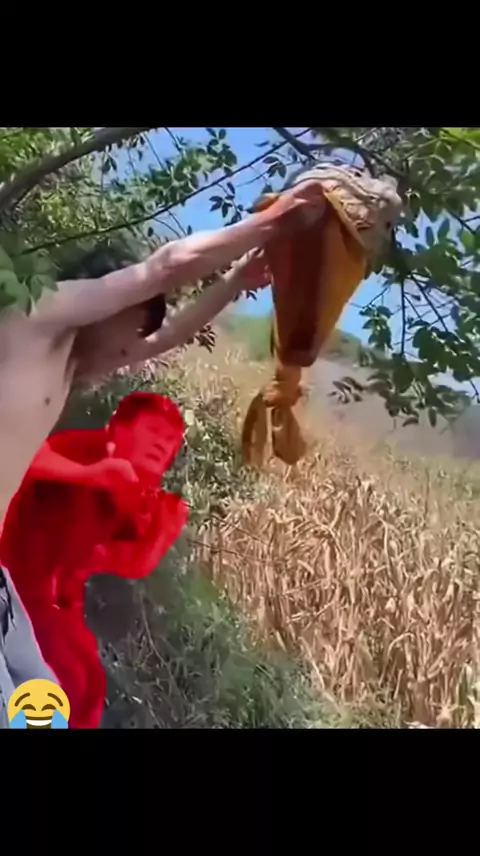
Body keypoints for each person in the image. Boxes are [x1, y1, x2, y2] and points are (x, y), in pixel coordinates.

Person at [0, 181, 326, 727]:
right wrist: (274, 222)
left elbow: (170, 335)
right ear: (112, 302)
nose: (137, 341)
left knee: (44, 702)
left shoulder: (71, 364)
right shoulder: (39, 318)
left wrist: (235, 283)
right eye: (137, 322)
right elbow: (164, 268)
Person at [1, 392, 188, 728]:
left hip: (57, 600)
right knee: (62, 677)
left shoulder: (143, 495)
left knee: (87, 686)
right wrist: (91, 474)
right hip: (14, 577)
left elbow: (129, 563)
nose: (161, 445)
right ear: (120, 429)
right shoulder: (86, 449)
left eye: (169, 440)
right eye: (153, 431)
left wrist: (160, 531)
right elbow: (24, 460)